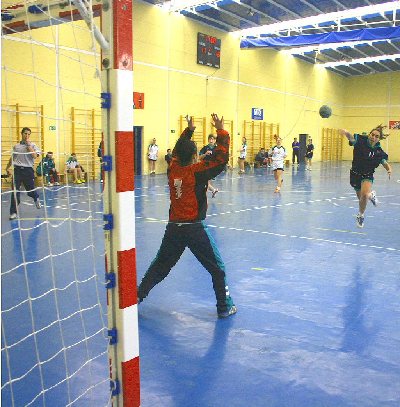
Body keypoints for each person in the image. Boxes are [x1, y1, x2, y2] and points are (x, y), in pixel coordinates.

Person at [137, 114, 237, 319]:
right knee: (217, 268)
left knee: (160, 266)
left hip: (174, 228)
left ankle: (137, 297)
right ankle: (224, 307)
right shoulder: (196, 171)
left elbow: (176, 151)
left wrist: (189, 131)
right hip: (193, 228)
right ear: (193, 156)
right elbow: (220, 158)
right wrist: (221, 131)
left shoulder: (172, 169)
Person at [340, 125, 392, 228]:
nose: (373, 137)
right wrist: (346, 132)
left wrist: (389, 169)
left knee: (364, 194)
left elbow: (384, 162)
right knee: (361, 199)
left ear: (379, 139)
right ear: (369, 134)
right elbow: (351, 138)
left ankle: (361, 215)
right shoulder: (361, 141)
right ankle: (369, 198)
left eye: (376, 136)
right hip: (355, 174)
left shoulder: (378, 151)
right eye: (372, 134)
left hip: (367, 175)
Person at [6, 127, 42, 220]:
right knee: (15, 192)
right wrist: (7, 167)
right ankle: (13, 212)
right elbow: (12, 158)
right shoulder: (16, 146)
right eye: (25, 134)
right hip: (17, 171)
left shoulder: (33, 145)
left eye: (29, 134)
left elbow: (34, 156)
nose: (27, 136)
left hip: (28, 171)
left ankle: (36, 198)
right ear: (21, 134)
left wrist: (29, 145)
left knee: (30, 191)